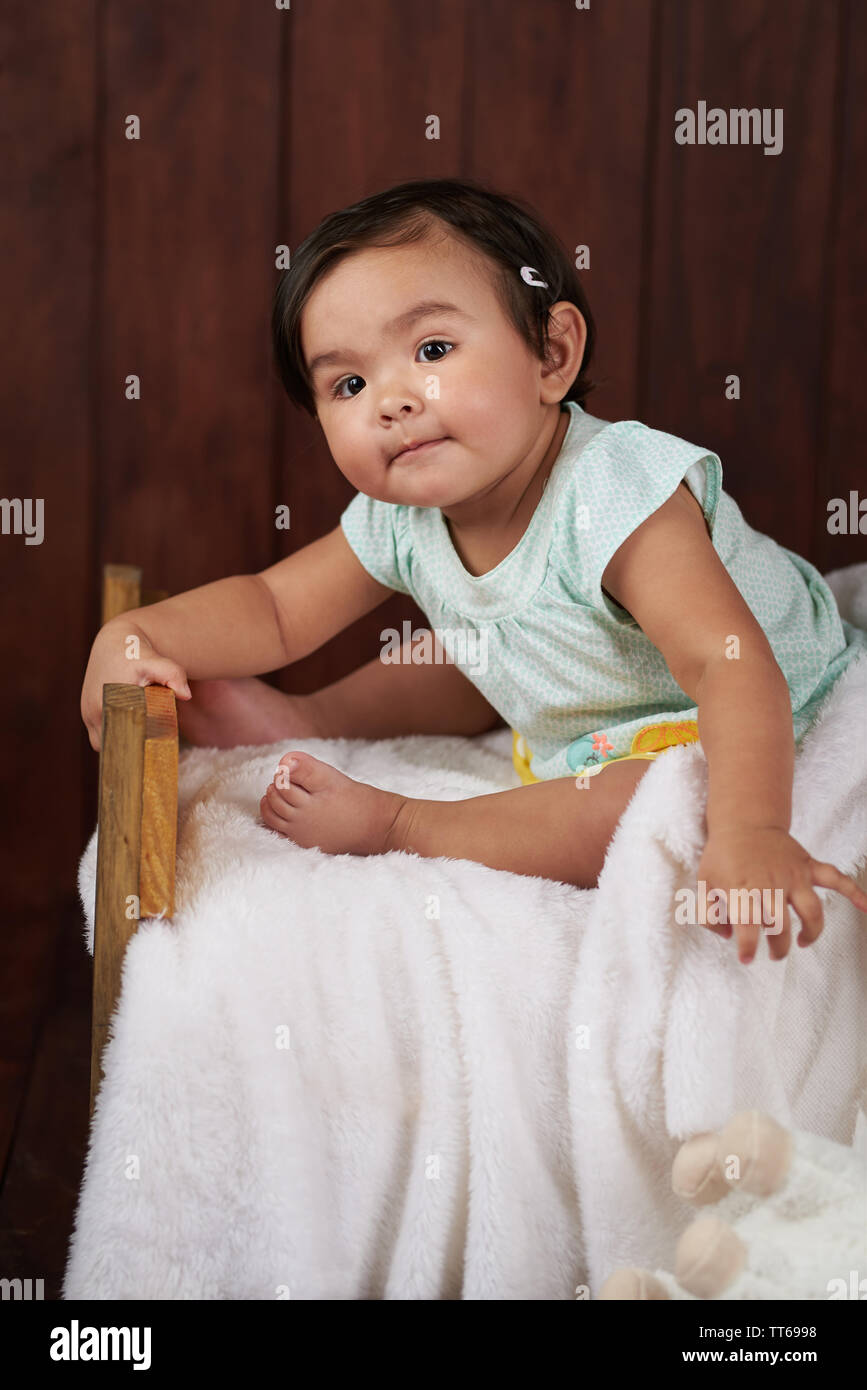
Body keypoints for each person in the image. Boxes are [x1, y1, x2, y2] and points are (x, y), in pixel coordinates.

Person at [81, 177, 867, 964]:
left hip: (760, 706)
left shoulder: (615, 490)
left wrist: (752, 832)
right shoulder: (405, 513)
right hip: (597, 692)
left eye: (431, 350)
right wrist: (136, 631)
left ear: (550, 357)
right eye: (348, 384)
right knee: (476, 648)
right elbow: (275, 608)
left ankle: (402, 824)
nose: (389, 400)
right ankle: (314, 717)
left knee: (657, 805)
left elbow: (727, 666)